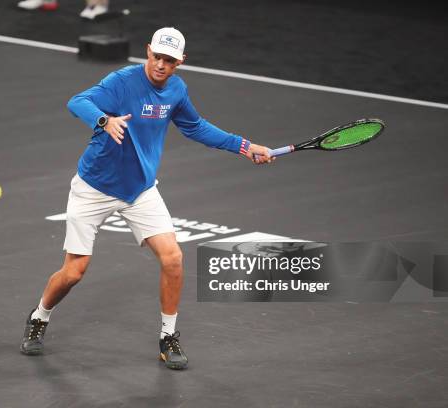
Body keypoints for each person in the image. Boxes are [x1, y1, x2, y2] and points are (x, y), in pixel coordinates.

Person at [20, 27, 274, 370]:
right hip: (93, 187)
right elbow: (77, 101)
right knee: (74, 272)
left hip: (140, 190)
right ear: (148, 52)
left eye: (170, 60)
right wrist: (104, 120)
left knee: (173, 259)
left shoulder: (177, 90)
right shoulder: (121, 82)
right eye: (157, 57)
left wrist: (244, 146)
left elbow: (196, 127)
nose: (161, 65)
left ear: (180, 62)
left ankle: (168, 336)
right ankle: (39, 316)